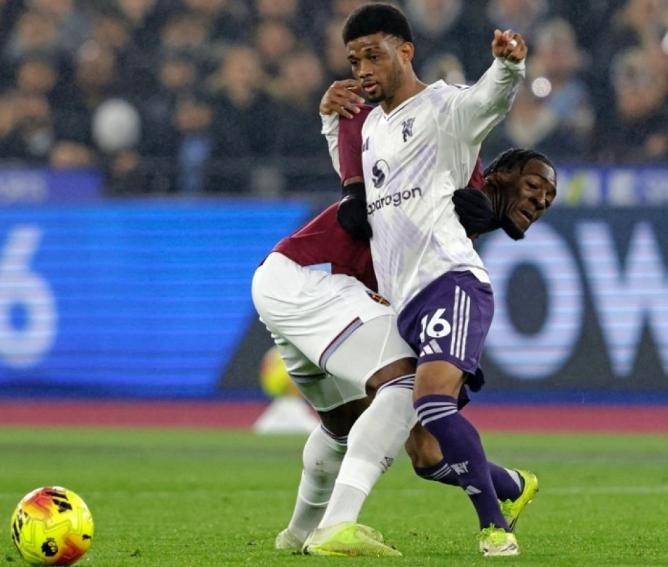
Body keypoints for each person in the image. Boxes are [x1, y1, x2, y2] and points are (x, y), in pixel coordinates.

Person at [254, 96, 555, 560]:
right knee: (407, 385)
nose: (540, 200)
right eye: (534, 186)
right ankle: (337, 525)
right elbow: (445, 127)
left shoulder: (457, 239)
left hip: (291, 282)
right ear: (498, 176)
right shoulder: (448, 179)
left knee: (355, 430)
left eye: (549, 198)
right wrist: (335, 116)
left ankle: (297, 534)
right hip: (316, 278)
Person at [303, 2, 542, 557]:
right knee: (425, 454)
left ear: (405, 51)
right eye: (354, 61)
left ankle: (496, 529)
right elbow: (350, 168)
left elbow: (489, 100)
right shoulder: (371, 127)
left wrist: (508, 67)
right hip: (402, 303)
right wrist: (328, 117)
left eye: (374, 56)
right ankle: (511, 485)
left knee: (433, 400)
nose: (363, 70)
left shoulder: (444, 107)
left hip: (450, 280)